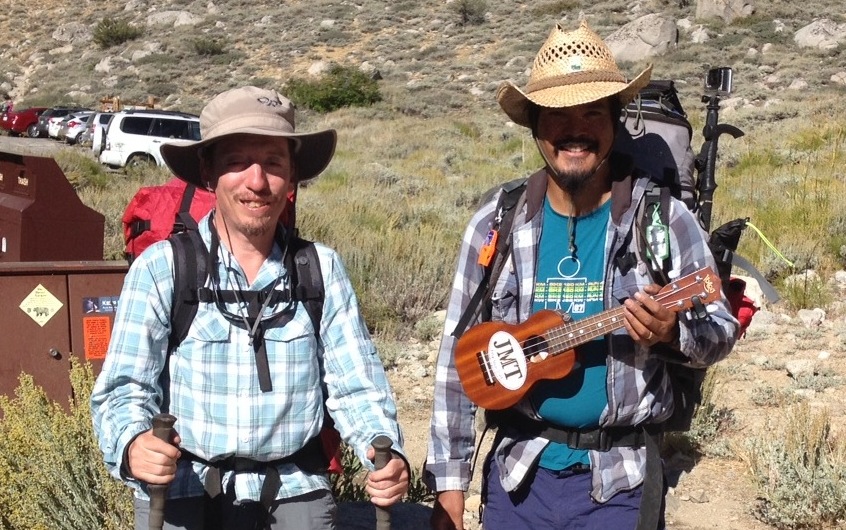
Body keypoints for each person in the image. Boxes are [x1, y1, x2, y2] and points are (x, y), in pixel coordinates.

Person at [424, 21, 739, 530]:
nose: (576, 128)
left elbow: (720, 330)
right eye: (558, 114)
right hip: (517, 476)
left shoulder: (661, 220)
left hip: (622, 480)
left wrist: (673, 335)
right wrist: (451, 487)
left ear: (616, 120)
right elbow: (455, 366)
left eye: (593, 111)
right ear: (536, 127)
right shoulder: (496, 223)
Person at [91, 86, 409, 530]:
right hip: (185, 487)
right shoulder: (163, 269)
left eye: (274, 163)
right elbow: (124, 387)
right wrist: (132, 443)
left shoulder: (320, 270)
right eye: (238, 161)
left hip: (296, 487)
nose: (257, 182)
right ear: (208, 172)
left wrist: (385, 450)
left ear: (293, 176)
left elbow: (356, 387)